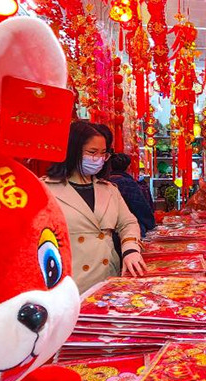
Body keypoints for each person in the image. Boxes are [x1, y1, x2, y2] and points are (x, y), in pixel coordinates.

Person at [44, 121, 146, 293]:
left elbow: (128, 223)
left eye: (103, 153)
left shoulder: (108, 189)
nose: (98, 159)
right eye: (92, 152)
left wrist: (130, 249)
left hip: (108, 278)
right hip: (70, 282)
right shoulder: (46, 190)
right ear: (73, 151)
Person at [107, 152, 156, 237]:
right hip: (129, 230)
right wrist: (150, 224)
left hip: (107, 229)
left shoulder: (103, 182)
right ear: (128, 167)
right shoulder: (127, 183)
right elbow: (140, 207)